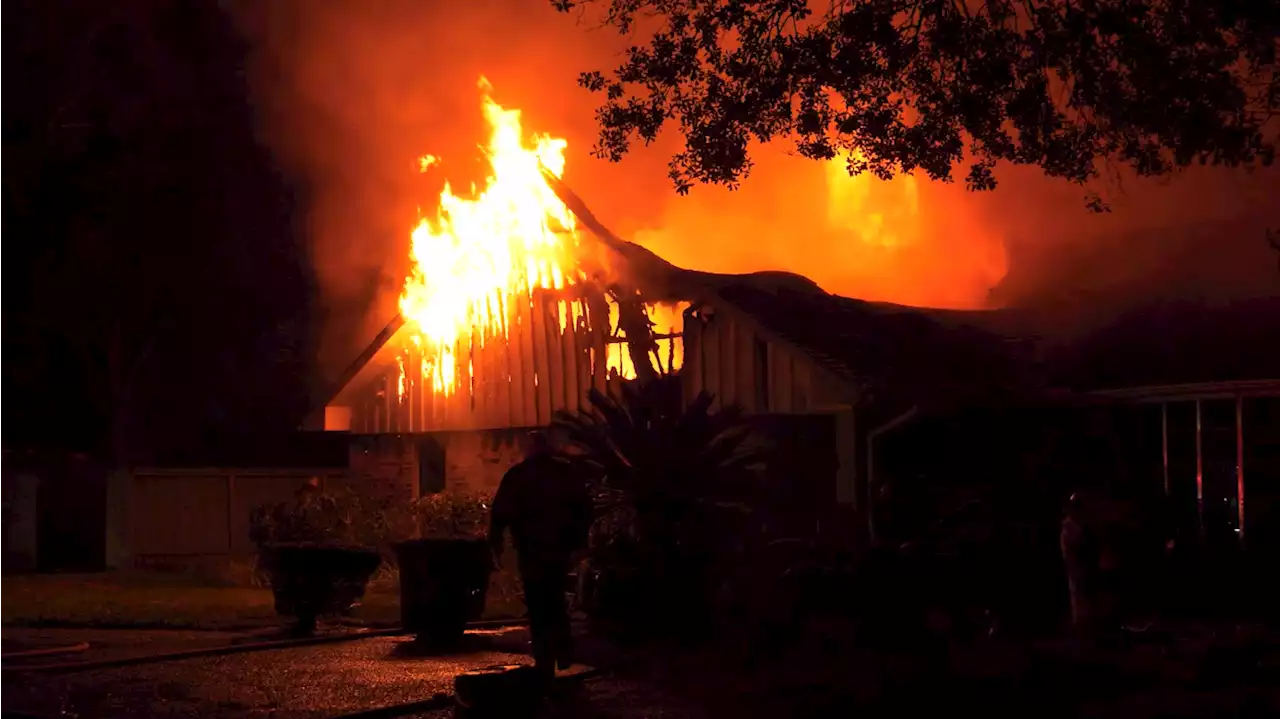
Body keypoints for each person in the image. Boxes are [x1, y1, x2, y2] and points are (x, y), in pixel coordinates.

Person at [489, 431, 592, 686]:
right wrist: (579, 543)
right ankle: (562, 650)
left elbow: (500, 513)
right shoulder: (565, 473)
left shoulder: (518, 476)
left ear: (530, 449)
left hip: (531, 549)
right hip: (558, 548)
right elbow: (584, 509)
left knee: (538, 604)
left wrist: (496, 543)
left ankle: (546, 659)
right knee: (554, 599)